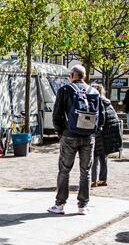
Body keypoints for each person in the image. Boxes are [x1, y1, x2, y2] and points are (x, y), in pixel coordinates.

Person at [48, 65, 105, 215]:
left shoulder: (65, 90)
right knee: (85, 171)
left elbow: (56, 115)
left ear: (73, 75)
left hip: (69, 136)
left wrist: (61, 132)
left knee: (64, 170)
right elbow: (102, 117)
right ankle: (82, 206)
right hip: (88, 138)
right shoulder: (94, 92)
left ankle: (60, 204)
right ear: (84, 76)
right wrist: (94, 132)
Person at [91, 84, 122, 187]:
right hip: (108, 134)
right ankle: (103, 179)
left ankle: (93, 180)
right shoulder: (107, 102)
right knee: (103, 157)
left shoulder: (96, 101)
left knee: (94, 156)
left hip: (99, 132)